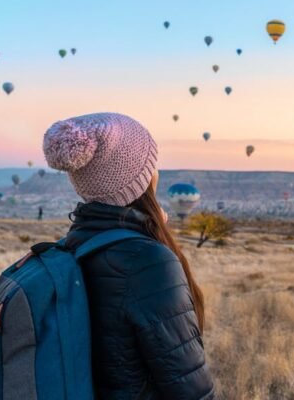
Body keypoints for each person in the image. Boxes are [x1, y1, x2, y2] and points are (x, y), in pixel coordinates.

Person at [42, 113, 214, 399]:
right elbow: (190, 387)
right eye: (152, 163)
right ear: (142, 177)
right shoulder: (148, 261)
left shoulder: (76, 244)